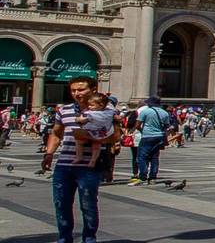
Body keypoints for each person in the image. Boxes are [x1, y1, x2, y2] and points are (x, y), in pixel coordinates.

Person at [43, 75, 118, 243]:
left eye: (81, 89)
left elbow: (116, 136)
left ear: (93, 89)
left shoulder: (107, 111)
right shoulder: (64, 110)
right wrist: (49, 154)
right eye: (73, 90)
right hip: (64, 164)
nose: (77, 93)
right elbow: (56, 133)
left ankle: (89, 239)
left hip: (89, 166)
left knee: (88, 205)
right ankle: (64, 239)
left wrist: (93, 138)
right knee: (61, 204)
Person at [130, 96, 172, 186]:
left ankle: (143, 177)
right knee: (154, 157)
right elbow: (167, 126)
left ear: (150, 103)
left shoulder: (146, 111)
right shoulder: (165, 113)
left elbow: (137, 125)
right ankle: (152, 178)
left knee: (141, 157)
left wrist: (142, 131)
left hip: (147, 136)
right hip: (159, 137)